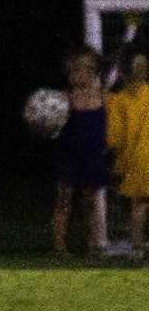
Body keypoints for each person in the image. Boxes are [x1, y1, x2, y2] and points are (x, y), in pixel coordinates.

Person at [51, 46, 111, 258]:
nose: (76, 75)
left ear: (93, 71)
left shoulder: (103, 97)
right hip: (69, 156)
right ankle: (59, 247)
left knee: (90, 202)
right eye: (73, 70)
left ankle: (93, 245)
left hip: (93, 156)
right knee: (64, 200)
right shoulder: (62, 99)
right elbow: (48, 126)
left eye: (82, 70)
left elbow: (108, 127)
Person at [110, 48, 149, 260]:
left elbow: (114, 137)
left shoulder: (118, 101)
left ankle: (137, 250)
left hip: (137, 160)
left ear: (123, 75)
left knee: (138, 206)